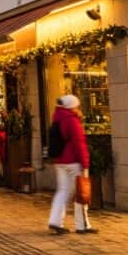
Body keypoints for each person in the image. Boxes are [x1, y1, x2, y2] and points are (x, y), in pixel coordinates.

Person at [48, 94, 95, 235]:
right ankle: (82, 226)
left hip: (60, 161)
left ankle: (55, 221)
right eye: (77, 106)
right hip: (74, 161)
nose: (78, 108)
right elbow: (79, 143)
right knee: (81, 192)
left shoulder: (56, 118)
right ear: (72, 106)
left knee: (62, 192)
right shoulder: (72, 120)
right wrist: (85, 163)